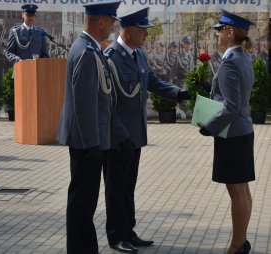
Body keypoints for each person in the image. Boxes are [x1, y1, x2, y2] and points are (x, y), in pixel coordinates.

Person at [104, 7, 190, 253]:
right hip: (118, 136)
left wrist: (178, 93)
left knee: (128, 187)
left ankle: (128, 231)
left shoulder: (137, 55)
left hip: (136, 134)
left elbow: (151, 81)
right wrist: (118, 133)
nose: (146, 36)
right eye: (143, 31)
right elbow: (107, 102)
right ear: (129, 31)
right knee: (115, 188)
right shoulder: (111, 57)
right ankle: (116, 236)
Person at [56, 1, 121, 253]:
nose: (113, 26)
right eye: (111, 21)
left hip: (90, 140)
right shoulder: (86, 52)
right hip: (87, 143)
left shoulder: (90, 49)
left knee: (84, 203)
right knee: (82, 202)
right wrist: (92, 143)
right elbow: (84, 105)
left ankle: (84, 247)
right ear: (101, 21)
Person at [197, 9, 255, 254]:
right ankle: (241, 241)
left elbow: (231, 106)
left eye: (220, 31)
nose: (217, 36)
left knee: (237, 192)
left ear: (230, 32)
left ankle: (237, 244)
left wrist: (209, 127)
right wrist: (210, 88)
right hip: (242, 131)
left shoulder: (231, 62)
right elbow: (234, 96)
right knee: (242, 190)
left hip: (231, 133)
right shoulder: (242, 57)